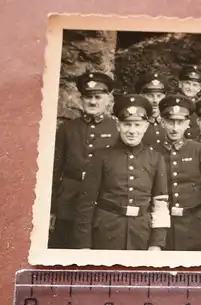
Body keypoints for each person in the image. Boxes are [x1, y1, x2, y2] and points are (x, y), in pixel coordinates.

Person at [73, 94, 170, 250]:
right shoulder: (101, 157)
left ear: (146, 126)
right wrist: (84, 245)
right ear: (118, 126)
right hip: (106, 232)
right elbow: (86, 204)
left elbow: (160, 204)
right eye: (127, 124)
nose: (132, 131)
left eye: (137, 125)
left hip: (141, 233)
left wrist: (156, 243)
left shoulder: (155, 158)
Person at [49, 72, 119, 249]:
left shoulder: (117, 128)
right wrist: (52, 208)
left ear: (108, 99)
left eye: (98, 97)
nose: (93, 102)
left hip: (102, 201)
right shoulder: (67, 129)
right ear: (82, 99)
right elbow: (55, 170)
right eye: (88, 97)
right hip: (69, 201)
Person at [152, 94, 201, 251]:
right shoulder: (153, 152)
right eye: (170, 122)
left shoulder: (199, 150)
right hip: (164, 225)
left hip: (195, 224)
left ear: (188, 124)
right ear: (162, 122)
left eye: (180, 122)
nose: (175, 128)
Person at [137, 72, 167, 145]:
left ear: (165, 97)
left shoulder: (169, 121)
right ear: (142, 96)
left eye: (159, 96)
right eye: (150, 96)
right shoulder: (136, 122)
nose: (155, 101)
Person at [175, 65, 201, 140]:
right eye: (187, 83)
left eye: (194, 85)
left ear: (199, 88)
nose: (190, 88)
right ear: (180, 84)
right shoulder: (172, 104)